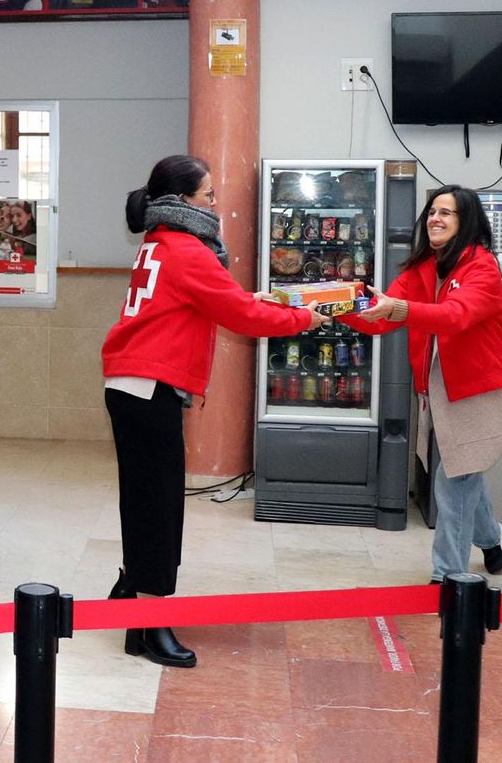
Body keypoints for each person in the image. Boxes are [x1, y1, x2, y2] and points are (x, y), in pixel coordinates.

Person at [101, 155, 325, 668]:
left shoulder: (159, 241)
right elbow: (239, 314)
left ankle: (131, 605)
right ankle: (151, 621)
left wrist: (265, 301)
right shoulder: (189, 249)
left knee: (143, 502)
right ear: (182, 201)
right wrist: (300, 319)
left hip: (131, 383)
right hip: (149, 388)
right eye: (208, 196)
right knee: (159, 509)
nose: (215, 204)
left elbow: (217, 300)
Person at [338, 185, 502, 584]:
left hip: (474, 392)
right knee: (462, 472)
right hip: (434, 390)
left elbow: (455, 316)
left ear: (466, 222)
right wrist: (334, 308)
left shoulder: (482, 268)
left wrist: (397, 308)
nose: (435, 218)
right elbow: (380, 318)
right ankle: (490, 537)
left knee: (456, 481)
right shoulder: (421, 268)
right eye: (432, 212)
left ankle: (447, 576)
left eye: (446, 213)